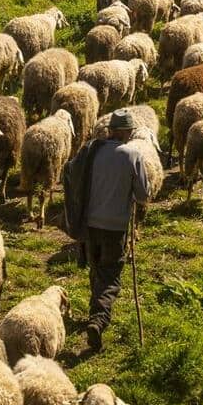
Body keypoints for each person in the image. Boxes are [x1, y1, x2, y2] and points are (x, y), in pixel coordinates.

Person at [61, 110, 151, 353]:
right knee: (110, 275)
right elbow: (144, 195)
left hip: (90, 225)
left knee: (96, 269)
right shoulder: (133, 154)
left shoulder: (92, 151)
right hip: (115, 227)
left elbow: (70, 173)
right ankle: (98, 320)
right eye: (130, 131)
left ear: (111, 130)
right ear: (126, 132)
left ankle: (94, 310)